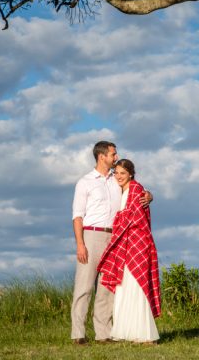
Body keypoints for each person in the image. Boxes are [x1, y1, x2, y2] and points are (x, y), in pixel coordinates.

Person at [70, 141, 152, 345]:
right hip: (91, 236)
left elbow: (136, 190)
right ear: (102, 156)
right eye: (113, 154)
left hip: (115, 238)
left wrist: (149, 196)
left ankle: (103, 334)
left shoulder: (117, 181)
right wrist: (80, 244)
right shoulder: (85, 182)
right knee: (84, 286)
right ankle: (78, 334)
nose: (116, 157)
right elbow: (77, 216)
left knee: (107, 286)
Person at [97, 159, 160, 343]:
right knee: (124, 286)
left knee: (137, 285)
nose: (118, 176)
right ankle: (127, 332)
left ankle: (145, 335)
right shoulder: (122, 189)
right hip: (125, 243)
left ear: (130, 174)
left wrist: (148, 196)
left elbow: (137, 217)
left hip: (137, 243)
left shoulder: (136, 189)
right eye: (116, 173)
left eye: (122, 173)